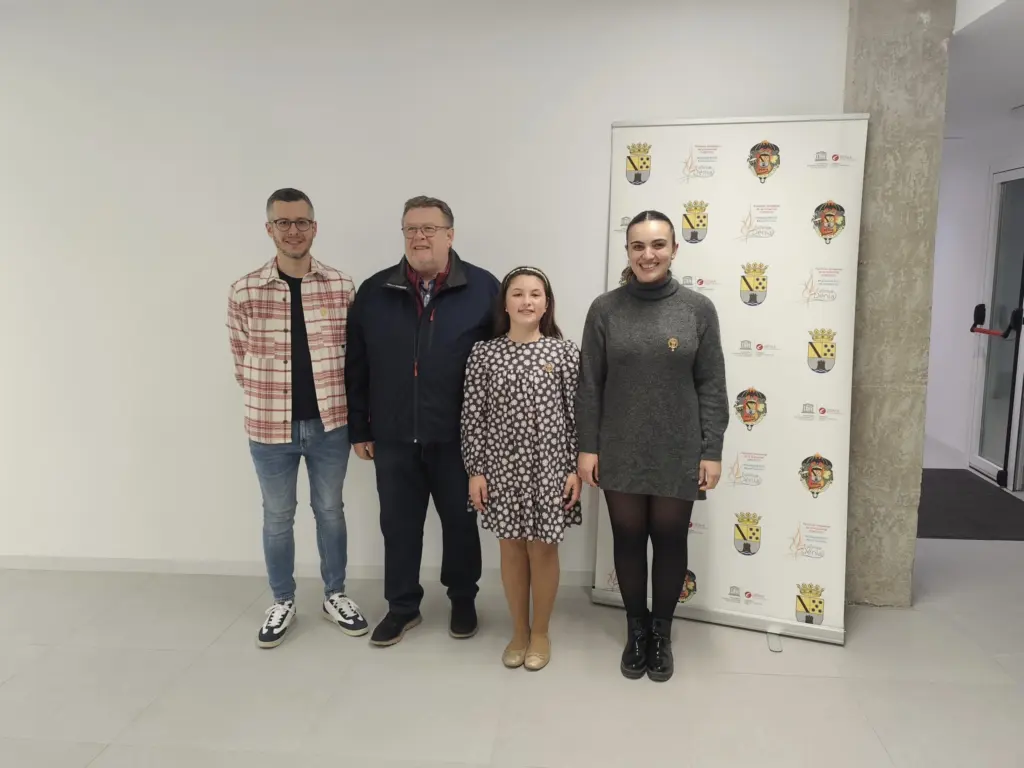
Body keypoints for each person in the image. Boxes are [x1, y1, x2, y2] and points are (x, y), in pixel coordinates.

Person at [575, 209, 729, 682]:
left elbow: (712, 384)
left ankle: (661, 632)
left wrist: (711, 450)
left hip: (678, 449)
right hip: (618, 446)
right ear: (627, 251)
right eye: (638, 246)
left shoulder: (698, 309)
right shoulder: (605, 309)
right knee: (626, 538)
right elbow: (589, 385)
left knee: (669, 539)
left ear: (674, 249)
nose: (648, 254)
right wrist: (587, 446)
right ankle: (636, 630)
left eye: (658, 245)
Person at [346, 196, 500, 647]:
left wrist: (491, 435)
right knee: (398, 525)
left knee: (460, 524)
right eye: (411, 229)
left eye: (429, 228)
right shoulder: (375, 291)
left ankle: (463, 599)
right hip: (393, 435)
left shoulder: (484, 289)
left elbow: (500, 361)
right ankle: (401, 606)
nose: (419, 237)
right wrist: (360, 427)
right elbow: (356, 364)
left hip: (458, 437)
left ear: (450, 235)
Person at [227, 187, 368, 648]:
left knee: (330, 511)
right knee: (277, 516)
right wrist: (270, 400)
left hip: (330, 424)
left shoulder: (341, 286)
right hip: (269, 428)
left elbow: (355, 356)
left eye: (302, 222)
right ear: (269, 228)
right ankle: (282, 600)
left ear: (314, 227)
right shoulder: (245, 290)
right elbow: (241, 360)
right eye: (283, 222)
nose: (293, 231)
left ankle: (335, 595)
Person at [461, 267, 582, 671]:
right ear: (505, 303)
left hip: (550, 466)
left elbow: (576, 417)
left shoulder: (564, 353)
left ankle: (541, 632)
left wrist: (573, 469)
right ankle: (518, 630)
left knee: (543, 548)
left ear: (546, 304)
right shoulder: (484, 354)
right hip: (500, 466)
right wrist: (476, 470)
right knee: (511, 547)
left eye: (535, 294)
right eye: (517, 293)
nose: (526, 301)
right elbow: (473, 417)